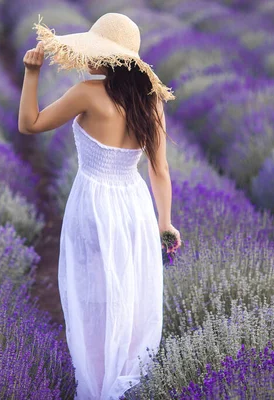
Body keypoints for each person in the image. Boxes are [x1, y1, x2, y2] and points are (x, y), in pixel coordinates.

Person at [18, 12, 182, 400]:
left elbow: (30, 124)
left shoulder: (89, 93)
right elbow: (159, 170)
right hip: (135, 205)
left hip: (94, 203)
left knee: (94, 293)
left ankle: (96, 384)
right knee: (127, 292)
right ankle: (124, 382)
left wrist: (31, 73)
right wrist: (165, 223)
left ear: (105, 58)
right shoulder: (151, 101)